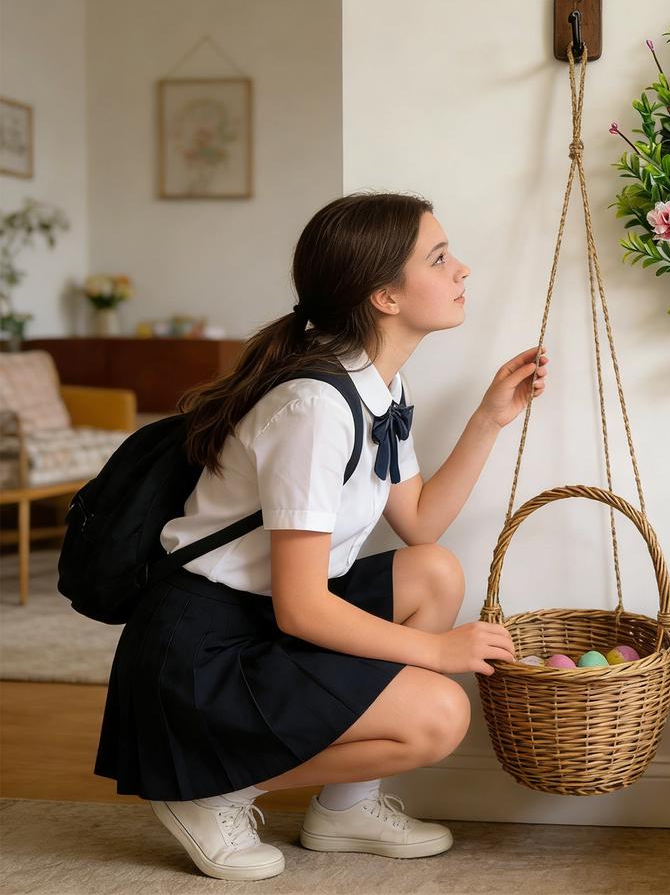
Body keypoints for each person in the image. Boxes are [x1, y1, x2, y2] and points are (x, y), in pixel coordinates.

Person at [93, 192, 549, 881]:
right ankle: (212, 792)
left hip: (261, 622)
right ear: (384, 297)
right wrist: (435, 650)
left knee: (434, 570)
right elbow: (300, 609)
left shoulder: (377, 386)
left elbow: (419, 521)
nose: (463, 269)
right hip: (203, 651)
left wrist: (488, 418)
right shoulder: (314, 407)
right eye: (439, 257)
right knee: (439, 716)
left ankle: (343, 810)